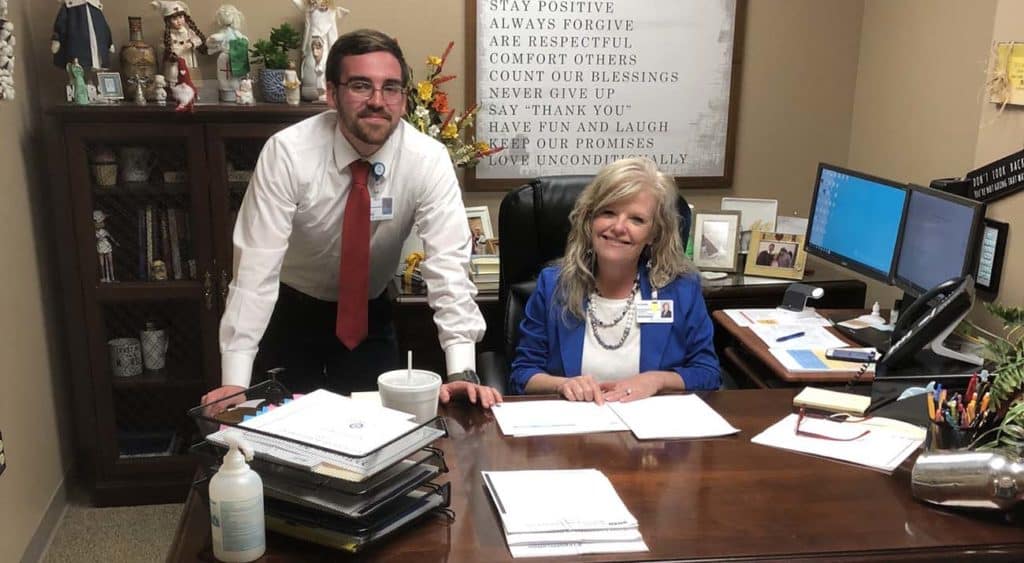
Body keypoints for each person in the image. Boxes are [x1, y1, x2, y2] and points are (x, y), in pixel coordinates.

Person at [202, 29, 501, 411]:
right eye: (361, 85)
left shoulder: (427, 160)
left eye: (390, 88)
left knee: (378, 431)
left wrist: (462, 371)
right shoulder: (288, 153)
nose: (377, 101)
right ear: (332, 93)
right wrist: (234, 382)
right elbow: (255, 269)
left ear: (403, 99)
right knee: (284, 432)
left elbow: (449, 270)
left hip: (369, 316)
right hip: (291, 313)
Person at [510, 157, 720, 403]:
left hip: (651, 424)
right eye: (608, 212)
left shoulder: (681, 289)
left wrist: (657, 380)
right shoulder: (554, 285)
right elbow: (522, 375)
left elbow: (708, 373)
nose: (619, 227)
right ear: (590, 220)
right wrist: (563, 385)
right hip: (573, 422)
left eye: (637, 219)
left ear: (654, 233)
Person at [152, 1, 206, 88]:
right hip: (175, 59)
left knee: (188, 73)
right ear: (168, 21)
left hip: (188, 58)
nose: (179, 21)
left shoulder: (188, 31)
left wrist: (192, 43)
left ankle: (191, 89)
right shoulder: (167, 34)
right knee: (173, 72)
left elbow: (198, 39)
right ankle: (173, 88)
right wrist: (173, 50)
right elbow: (162, 47)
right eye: (174, 19)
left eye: (181, 17)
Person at [205, 4, 249, 102]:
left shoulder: (236, 32)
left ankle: (236, 93)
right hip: (224, 57)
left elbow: (242, 38)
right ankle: (225, 93)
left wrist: (244, 40)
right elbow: (214, 40)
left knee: (235, 77)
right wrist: (214, 39)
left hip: (236, 56)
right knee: (224, 76)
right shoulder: (222, 32)